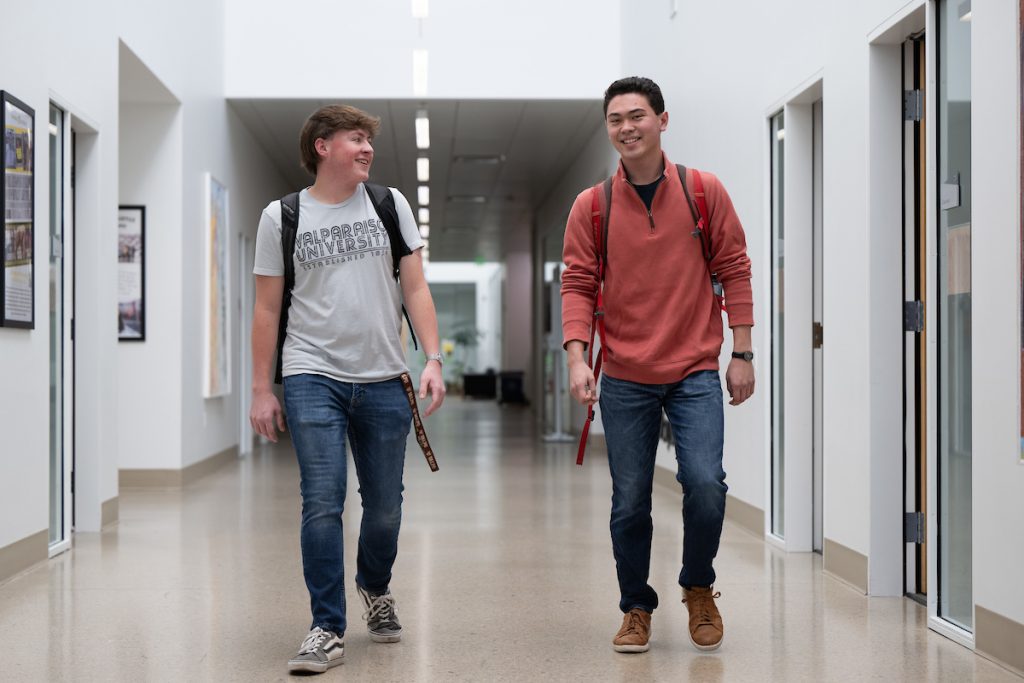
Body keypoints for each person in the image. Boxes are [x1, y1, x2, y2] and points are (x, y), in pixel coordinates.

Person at [249, 104, 445, 675]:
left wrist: (431, 357)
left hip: (384, 377)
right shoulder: (281, 217)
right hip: (312, 374)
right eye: (356, 139)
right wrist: (264, 388)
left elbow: (416, 288)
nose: (367, 149)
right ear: (322, 146)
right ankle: (325, 627)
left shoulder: (390, 205)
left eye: (368, 140)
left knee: (384, 508)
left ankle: (374, 585)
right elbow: (266, 308)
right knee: (322, 501)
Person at [561, 77, 754, 654]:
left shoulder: (703, 190)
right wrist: (576, 358)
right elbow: (577, 283)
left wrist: (741, 352)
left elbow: (735, 267)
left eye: (638, 115)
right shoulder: (592, 206)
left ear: (662, 121)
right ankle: (636, 606)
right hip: (623, 374)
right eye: (616, 118)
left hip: (695, 367)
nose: (627, 127)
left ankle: (698, 584)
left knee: (705, 484)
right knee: (630, 500)